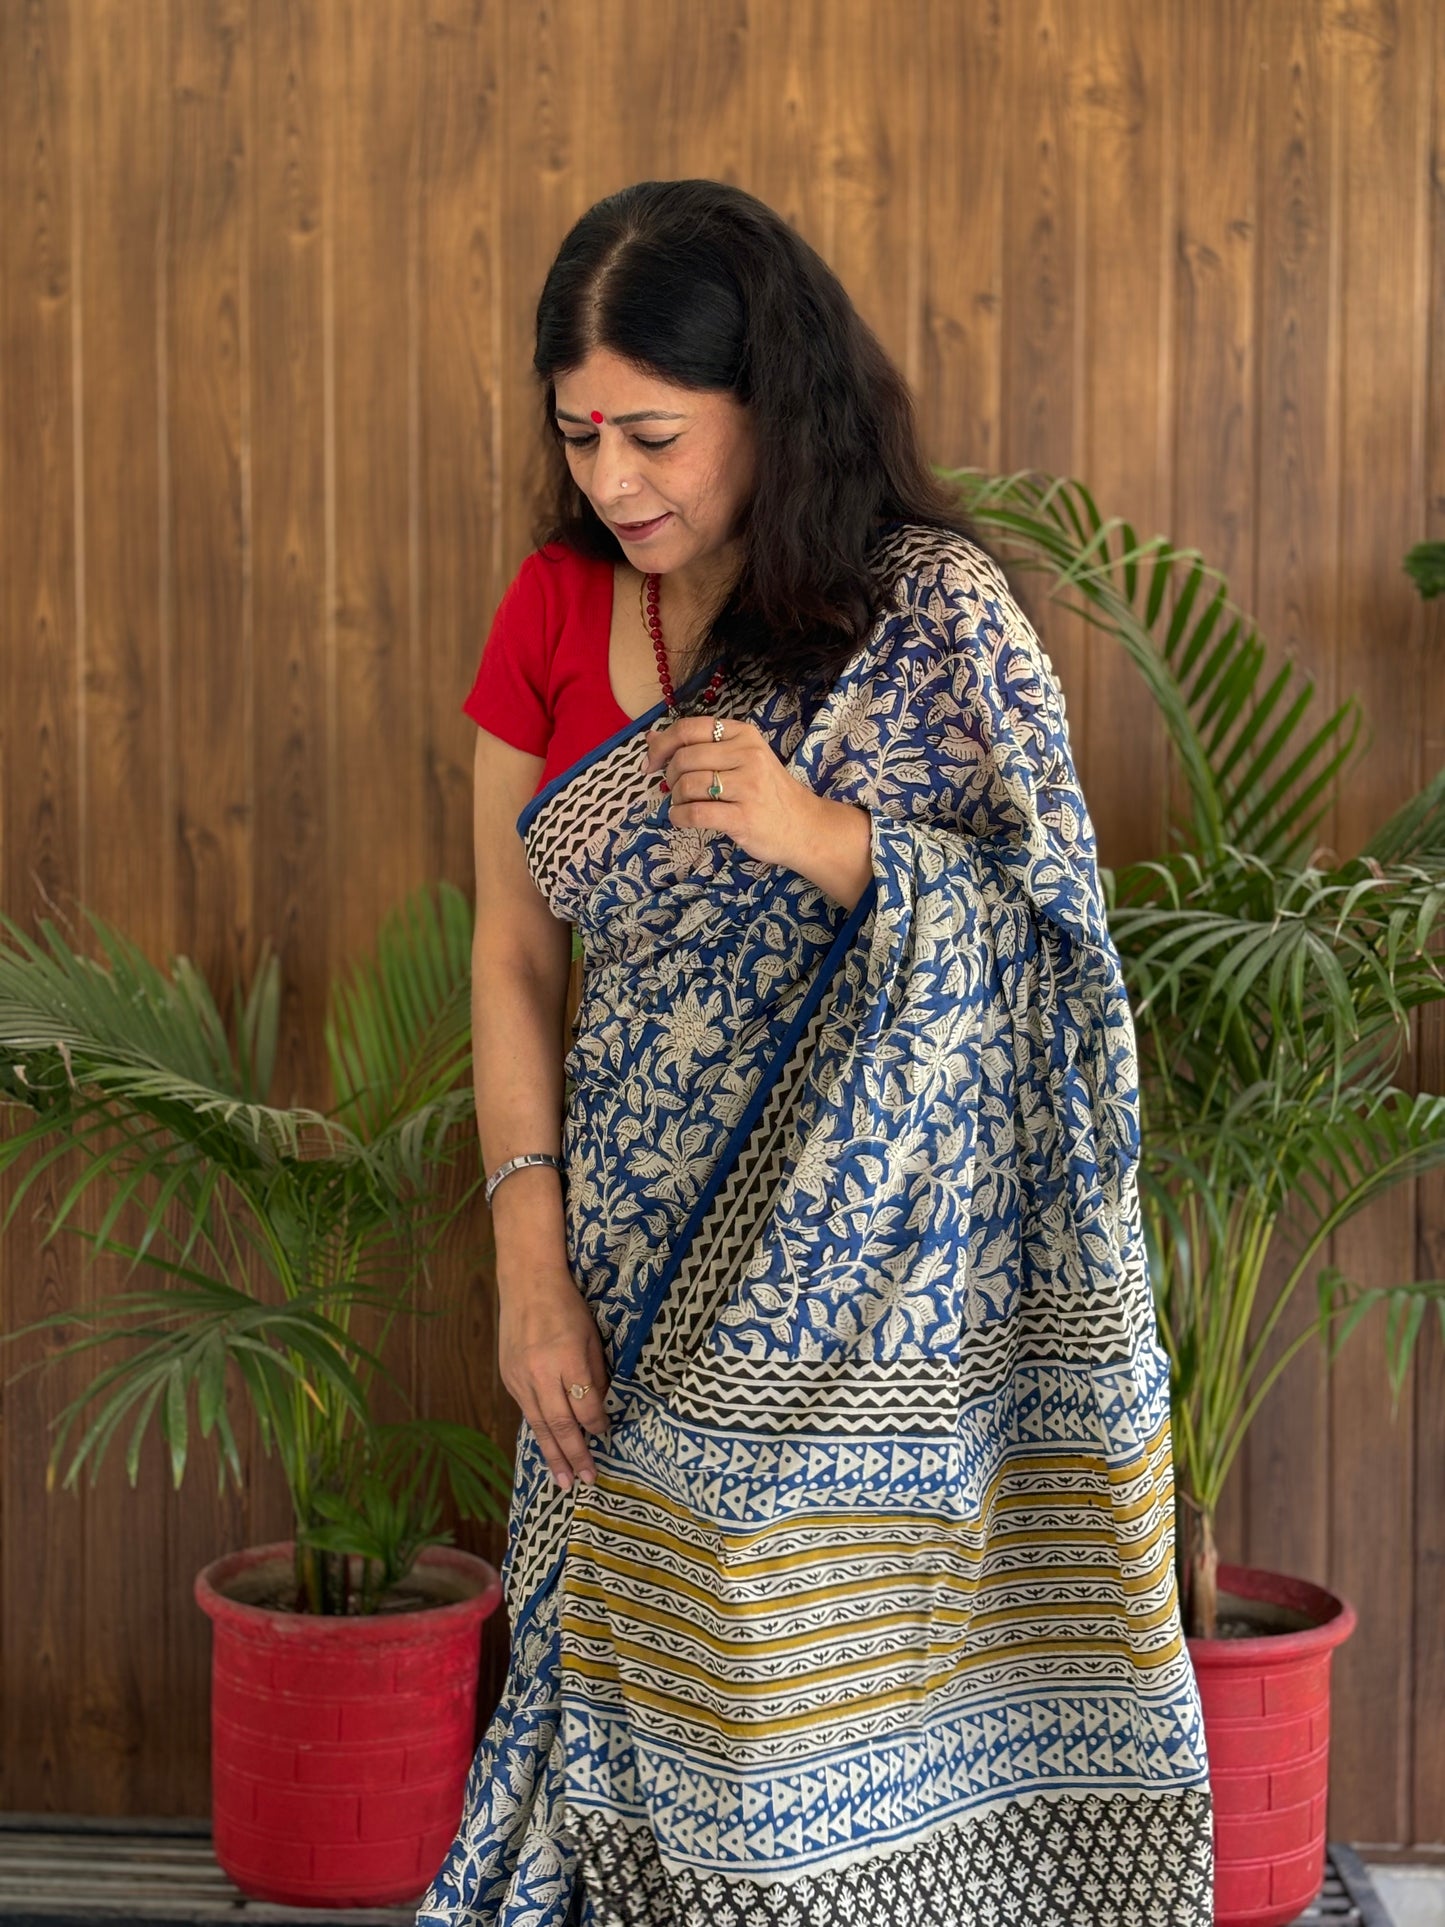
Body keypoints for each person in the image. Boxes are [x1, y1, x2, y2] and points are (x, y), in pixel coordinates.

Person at [418, 179, 1211, 1927]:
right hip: (622, 1264)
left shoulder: (923, 613)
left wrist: (823, 835)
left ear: (771, 402)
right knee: (629, 1715)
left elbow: (1053, 941)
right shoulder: (552, 608)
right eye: (578, 434)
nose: (614, 479)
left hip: (866, 1314)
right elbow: (505, 948)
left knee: (805, 1751)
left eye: (654, 433)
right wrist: (525, 1262)